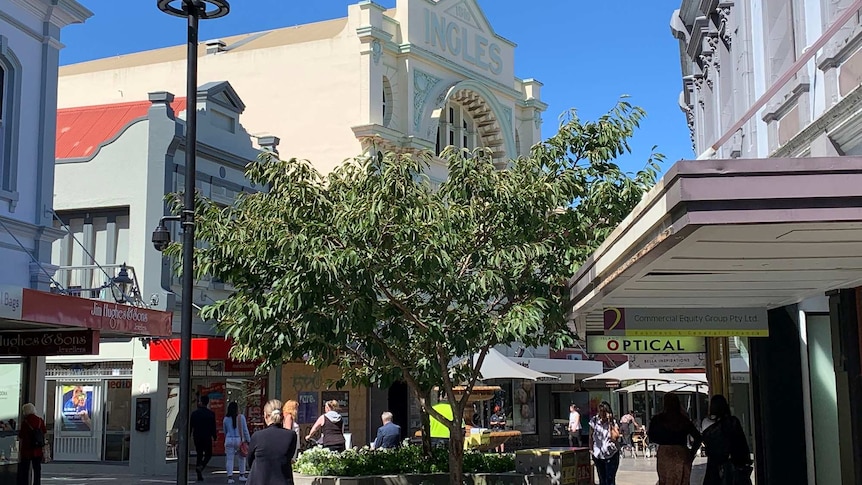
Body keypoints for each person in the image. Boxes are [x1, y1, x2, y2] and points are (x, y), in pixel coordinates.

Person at [648, 393, 702, 485]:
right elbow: (698, 438)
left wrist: (663, 442)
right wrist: (691, 453)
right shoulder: (683, 420)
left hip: (665, 454)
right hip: (681, 453)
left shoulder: (658, 419)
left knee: (665, 480)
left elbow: (651, 436)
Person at [701, 394, 752, 485]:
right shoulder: (733, 422)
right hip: (734, 464)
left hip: (714, 466)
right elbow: (741, 444)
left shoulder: (706, 423)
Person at [246, 399, 297, 485]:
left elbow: (249, 462)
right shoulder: (291, 435)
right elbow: (288, 457)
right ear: (282, 416)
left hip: (259, 481)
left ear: (265, 415)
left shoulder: (257, 436)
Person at [589, 401, 621, 485]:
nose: (602, 414)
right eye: (601, 411)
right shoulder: (594, 420)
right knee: (602, 480)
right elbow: (591, 436)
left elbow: (615, 438)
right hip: (598, 454)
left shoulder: (613, 422)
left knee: (610, 479)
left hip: (611, 454)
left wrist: (610, 423)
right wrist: (591, 450)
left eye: (604, 411)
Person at [190, 395, 218, 482]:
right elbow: (213, 427)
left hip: (197, 436)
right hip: (207, 437)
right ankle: (201, 466)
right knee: (208, 454)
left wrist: (189, 435)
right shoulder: (211, 414)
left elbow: (191, 426)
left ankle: (199, 472)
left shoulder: (194, 414)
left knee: (199, 454)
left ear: (201, 402)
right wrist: (214, 436)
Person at [17, 403, 47, 485]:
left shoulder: (25, 422)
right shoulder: (40, 420)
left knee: (25, 470)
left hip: (27, 450)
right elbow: (44, 432)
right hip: (37, 450)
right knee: (37, 470)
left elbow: (21, 435)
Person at [223, 402, 251, 483]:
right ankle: (242, 475)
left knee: (229, 459)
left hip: (229, 439)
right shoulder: (241, 417)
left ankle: (230, 477)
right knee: (242, 457)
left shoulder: (226, 419)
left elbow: (225, 431)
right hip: (239, 440)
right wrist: (248, 440)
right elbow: (245, 430)